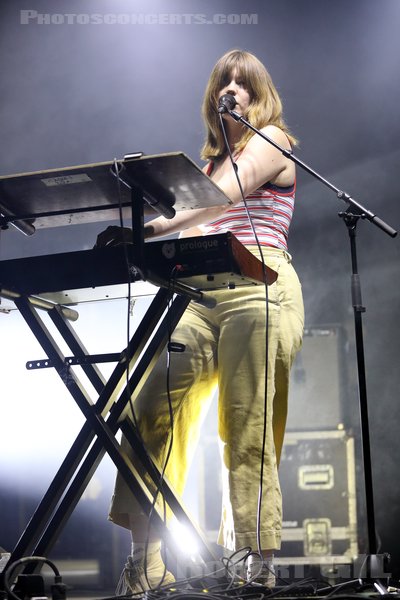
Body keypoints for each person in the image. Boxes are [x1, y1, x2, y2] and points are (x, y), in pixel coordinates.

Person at [106, 49, 304, 593]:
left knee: (247, 422)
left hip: (259, 282)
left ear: (260, 97)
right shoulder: (207, 165)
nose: (231, 90)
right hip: (197, 294)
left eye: (243, 84)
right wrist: (144, 231)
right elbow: (199, 209)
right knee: (150, 406)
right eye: (223, 82)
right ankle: (147, 563)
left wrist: (148, 228)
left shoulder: (274, 141)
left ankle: (254, 563)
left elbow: (218, 201)